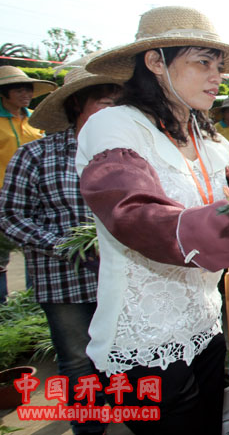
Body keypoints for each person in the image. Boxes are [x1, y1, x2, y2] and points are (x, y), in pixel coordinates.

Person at [76, 6, 229, 434]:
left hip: (204, 325)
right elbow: (134, 214)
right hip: (145, 340)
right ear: (155, 61)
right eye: (202, 62)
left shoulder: (209, 140)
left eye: (219, 66)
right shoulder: (114, 127)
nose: (216, 77)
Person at [0, 65, 120, 435]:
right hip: (63, 282)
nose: (114, 113)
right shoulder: (36, 155)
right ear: (77, 104)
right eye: (105, 104)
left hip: (119, 278)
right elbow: (10, 216)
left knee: (121, 356)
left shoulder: (124, 155)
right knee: (78, 360)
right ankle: (90, 428)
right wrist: (62, 245)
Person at [0, 66, 55, 302]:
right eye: (19, 90)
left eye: (28, 89)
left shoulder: (35, 119)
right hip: (4, 193)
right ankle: (3, 306)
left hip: (37, 193)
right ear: (4, 93)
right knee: (2, 254)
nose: (26, 94)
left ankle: (33, 300)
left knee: (34, 247)